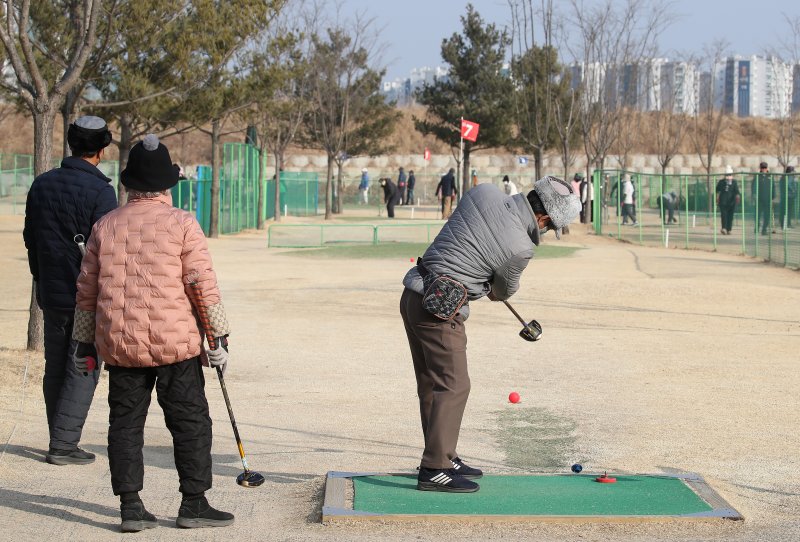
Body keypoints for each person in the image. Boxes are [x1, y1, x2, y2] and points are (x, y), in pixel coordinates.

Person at [72, 135, 234, 532]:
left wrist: (83, 343)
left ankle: (131, 506)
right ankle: (193, 502)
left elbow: (87, 291)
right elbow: (201, 284)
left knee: (124, 424)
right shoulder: (182, 224)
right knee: (190, 420)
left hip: (120, 344)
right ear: (167, 185)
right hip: (175, 343)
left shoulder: (104, 226)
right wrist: (219, 337)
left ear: (128, 185)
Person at [400, 177, 581, 493]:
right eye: (552, 228)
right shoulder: (521, 249)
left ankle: (443, 454)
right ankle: (435, 469)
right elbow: (501, 292)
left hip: (414, 293)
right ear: (544, 219)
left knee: (431, 383)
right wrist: (490, 278)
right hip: (441, 310)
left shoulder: (483, 191)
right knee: (454, 385)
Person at [23, 115, 116, 466]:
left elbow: (30, 238)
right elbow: (109, 250)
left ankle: (57, 437)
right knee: (85, 364)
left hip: (50, 291)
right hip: (85, 299)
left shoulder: (41, 184)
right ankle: (63, 444)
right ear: (102, 150)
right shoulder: (101, 192)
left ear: (71, 144)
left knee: (56, 366)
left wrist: (40, 279)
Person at [716, 166, 741, 235]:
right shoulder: (721, 182)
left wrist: (737, 196)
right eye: (727, 175)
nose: (728, 176)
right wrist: (725, 183)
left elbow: (737, 191)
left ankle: (729, 229)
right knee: (724, 215)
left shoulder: (734, 182)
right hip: (723, 202)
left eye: (730, 175)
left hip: (732, 202)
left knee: (730, 216)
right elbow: (717, 190)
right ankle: (724, 228)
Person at [752, 161, 773, 235]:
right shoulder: (757, 176)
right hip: (759, 199)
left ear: (767, 168)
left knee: (767, 215)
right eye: (762, 168)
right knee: (757, 214)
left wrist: (773, 196)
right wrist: (754, 195)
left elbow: (773, 187)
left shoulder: (770, 176)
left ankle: (764, 229)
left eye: (765, 168)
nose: (764, 169)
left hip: (767, 199)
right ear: (760, 168)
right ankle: (757, 227)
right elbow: (753, 186)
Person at [778, 165, 796, 229]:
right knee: (788, 211)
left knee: (784, 211)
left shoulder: (783, 177)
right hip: (789, 196)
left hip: (784, 196)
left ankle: (784, 224)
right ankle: (787, 224)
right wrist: (793, 190)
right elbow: (788, 184)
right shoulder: (790, 176)